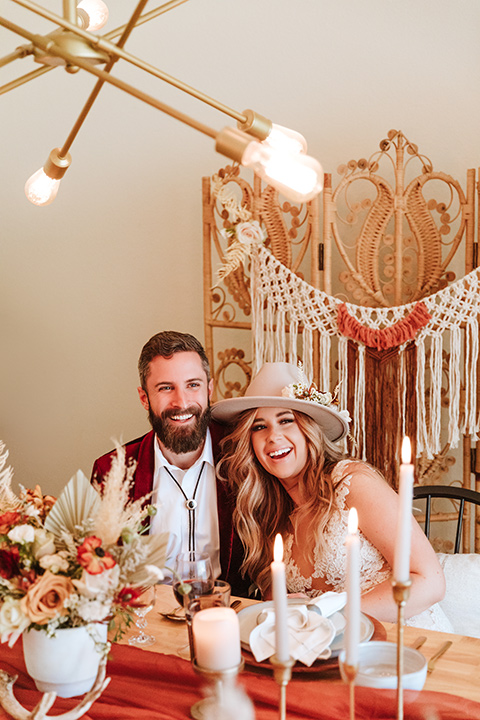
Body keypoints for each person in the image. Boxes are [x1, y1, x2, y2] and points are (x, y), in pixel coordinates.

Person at [212, 361, 452, 629]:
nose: (273, 437)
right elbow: (280, 600)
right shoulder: (270, 514)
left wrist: (329, 614)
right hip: (337, 646)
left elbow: (430, 583)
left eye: (286, 420)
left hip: (411, 636)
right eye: (259, 427)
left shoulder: (353, 484)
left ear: (308, 429)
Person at [91, 331, 248, 596]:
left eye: (193, 385)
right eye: (166, 388)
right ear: (144, 398)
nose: (182, 402)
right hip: (146, 625)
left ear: (209, 389)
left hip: (230, 619)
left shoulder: (243, 455)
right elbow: (98, 569)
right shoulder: (111, 471)